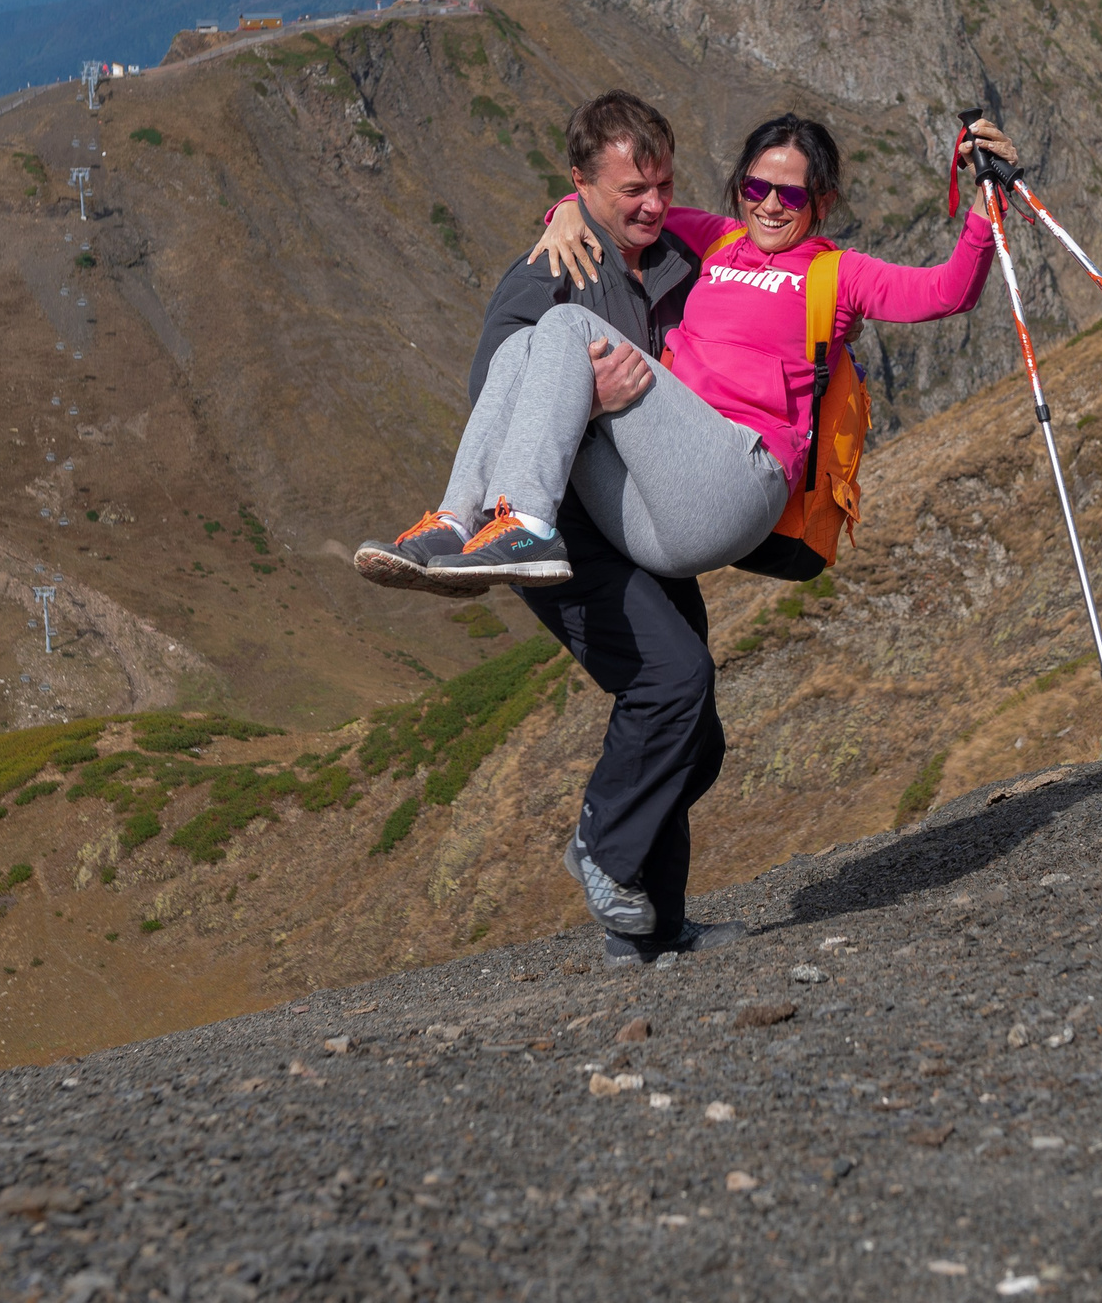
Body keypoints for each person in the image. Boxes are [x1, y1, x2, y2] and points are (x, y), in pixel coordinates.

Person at [355, 95, 1012, 964]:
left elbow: (946, 293)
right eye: (756, 188)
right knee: (686, 718)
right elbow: (600, 207)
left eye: (795, 195)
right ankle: (651, 930)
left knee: (563, 334)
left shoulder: (834, 273)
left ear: (822, 204)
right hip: (651, 503)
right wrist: (559, 215)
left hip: (734, 476)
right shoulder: (713, 241)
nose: (771, 206)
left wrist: (987, 204)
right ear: (737, 191)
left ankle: (499, 526)